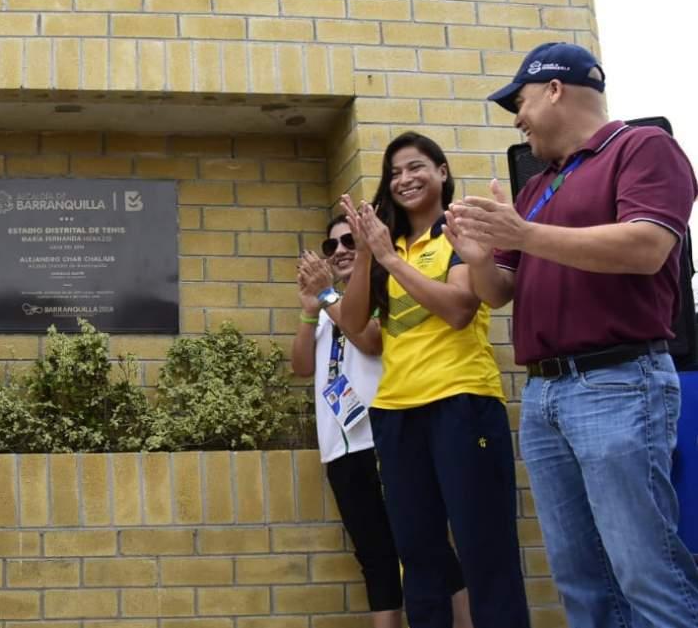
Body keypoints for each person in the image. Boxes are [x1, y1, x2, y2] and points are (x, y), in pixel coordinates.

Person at [447, 41, 698, 628]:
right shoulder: (538, 186)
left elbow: (647, 246)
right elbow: (496, 292)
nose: (517, 118)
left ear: (554, 88)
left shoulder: (641, 147)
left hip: (618, 382)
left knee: (645, 570)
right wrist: (480, 255)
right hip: (544, 397)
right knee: (580, 580)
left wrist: (524, 235)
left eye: (522, 100)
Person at [337, 132, 531, 628]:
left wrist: (390, 260)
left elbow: (460, 310)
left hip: (462, 404)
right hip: (397, 414)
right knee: (419, 559)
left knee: (485, 553)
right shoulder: (386, 246)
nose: (404, 179)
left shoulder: (460, 232)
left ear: (442, 171)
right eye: (394, 173)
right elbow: (355, 322)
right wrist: (365, 251)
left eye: (416, 167)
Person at [291, 216, 473, 628]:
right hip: (340, 448)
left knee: (425, 545)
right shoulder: (326, 308)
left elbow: (370, 341)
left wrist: (326, 293)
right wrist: (310, 310)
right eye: (330, 244)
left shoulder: (379, 290)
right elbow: (301, 366)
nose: (339, 250)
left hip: (385, 438)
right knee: (373, 556)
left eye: (348, 240)